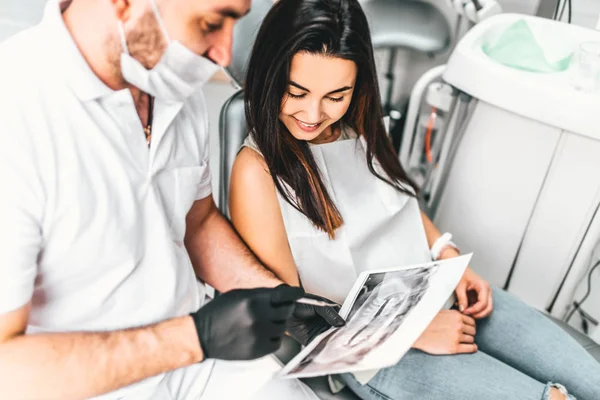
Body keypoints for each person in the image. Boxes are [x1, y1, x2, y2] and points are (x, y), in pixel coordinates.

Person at [229, 0, 600, 399]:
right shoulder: (257, 172)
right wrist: (410, 331)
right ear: (271, 74)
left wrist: (446, 254)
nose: (314, 113)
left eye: (336, 95)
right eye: (296, 92)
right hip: (367, 346)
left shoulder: (356, 123)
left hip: (430, 287)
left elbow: (392, 202)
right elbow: (295, 311)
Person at [0, 0, 344, 399]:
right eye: (212, 23)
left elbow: (197, 221)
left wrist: (277, 297)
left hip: (197, 365)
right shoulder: (17, 114)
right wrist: (195, 338)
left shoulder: (165, 83)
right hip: (81, 383)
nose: (224, 54)